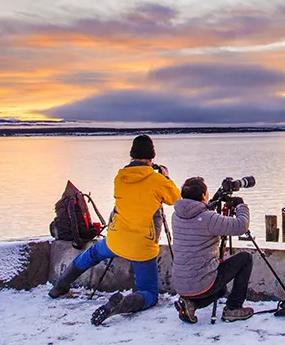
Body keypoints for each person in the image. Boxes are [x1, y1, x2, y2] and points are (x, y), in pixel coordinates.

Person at [49, 135, 181, 326]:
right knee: (149, 293)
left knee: (92, 254)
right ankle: (123, 304)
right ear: (152, 156)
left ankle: (60, 285)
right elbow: (174, 198)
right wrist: (164, 177)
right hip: (141, 247)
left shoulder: (120, 177)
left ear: (131, 155)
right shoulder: (157, 180)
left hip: (116, 239)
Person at [171, 176, 254, 323]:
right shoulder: (209, 220)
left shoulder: (176, 215)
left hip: (180, 284)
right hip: (202, 283)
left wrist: (215, 199)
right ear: (203, 196)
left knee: (221, 290)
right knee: (245, 258)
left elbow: (199, 214)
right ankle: (233, 309)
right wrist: (241, 206)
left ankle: (191, 304)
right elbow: (241, 226)